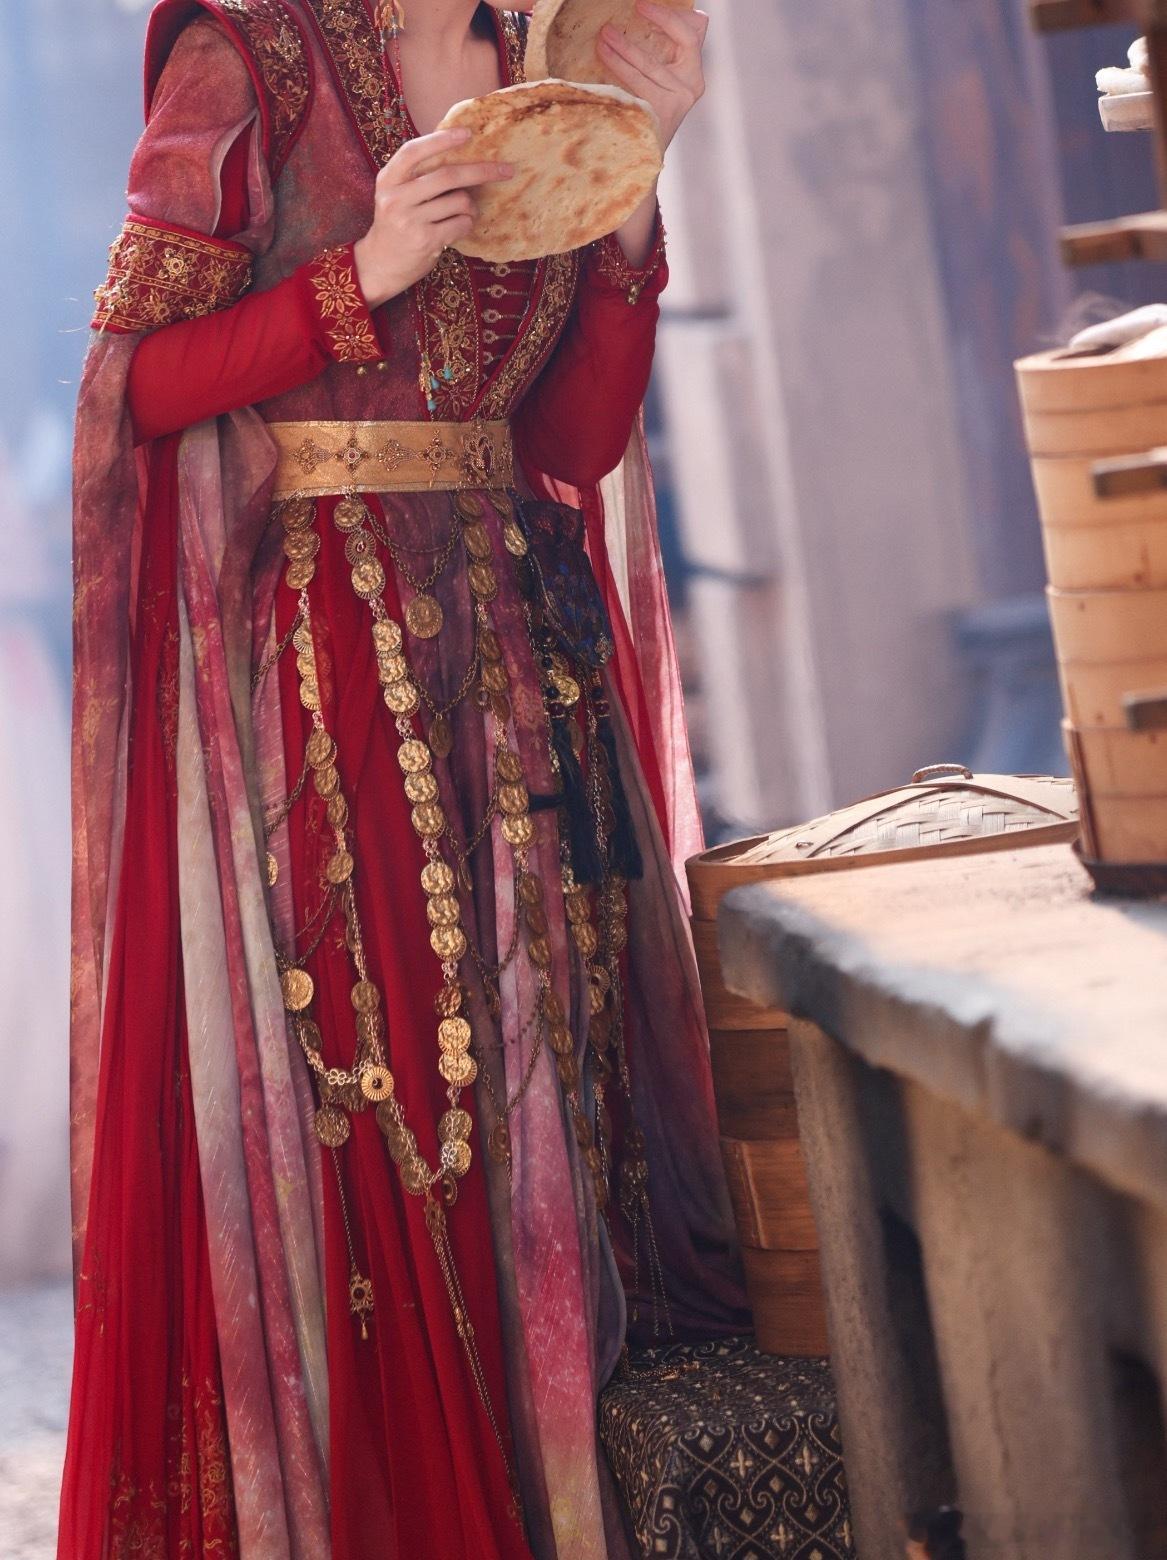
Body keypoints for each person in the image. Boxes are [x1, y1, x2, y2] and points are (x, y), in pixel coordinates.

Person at [62, 1, 747, 1555]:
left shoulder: (549, 69)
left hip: (518, 658)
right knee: (396, 1103)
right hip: (327, 678)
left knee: (553, 1095)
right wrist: (359, 273)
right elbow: (134, 385)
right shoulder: (251, 58)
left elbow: (573, 441)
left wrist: (635, 190)